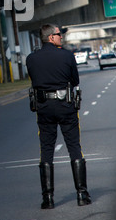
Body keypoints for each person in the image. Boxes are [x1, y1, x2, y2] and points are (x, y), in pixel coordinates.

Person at [26, 23, 92, 209]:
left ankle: (48, 199)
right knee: (74, 146)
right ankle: (82, 194)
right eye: (58, 34)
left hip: (44, 107)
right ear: (51, 37)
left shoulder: (31, 58)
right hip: (65, 106)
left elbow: (34, 79)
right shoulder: (66, 55)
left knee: (46, 149)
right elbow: (75, 80)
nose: (61, 37)